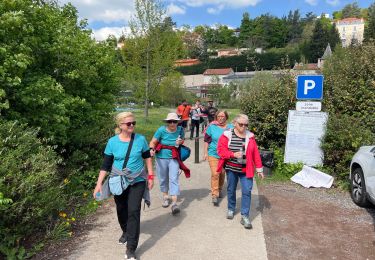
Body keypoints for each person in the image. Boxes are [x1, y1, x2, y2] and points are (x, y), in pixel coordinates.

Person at [93, 112, 154, 260]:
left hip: (137, 180)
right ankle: (126, 231)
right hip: (118, 180)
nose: (132, 125)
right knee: (121, 209)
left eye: (134, 123)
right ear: (120, 125)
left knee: (134, 210)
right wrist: (98, 184)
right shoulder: (112, 142)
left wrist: (150, 176)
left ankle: (131, 248)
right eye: (129, 123)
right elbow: (106, 165)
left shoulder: (140, 140)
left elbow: (147, 158)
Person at [217, 114, 264, 229]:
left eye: (246, 125)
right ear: (234, 123)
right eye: (241, 124)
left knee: (247, 191)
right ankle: (231, 208)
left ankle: (245, 216)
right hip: (231, 168)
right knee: (231, 189)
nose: (244, 127)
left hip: (245, 169)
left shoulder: (250, 137)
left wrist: (259, 169)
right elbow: (220, 150)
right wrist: (232, 154)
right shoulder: (227, 135)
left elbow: (255, 154)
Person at [149, 113, 190, 215]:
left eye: (174, 121)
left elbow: (182, 140)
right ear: (167, 122)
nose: (172, 123)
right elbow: (153, 142)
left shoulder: (180, 130)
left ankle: (175, 204)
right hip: (161, 158)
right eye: (169, 121)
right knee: (163, 178)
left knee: (174, 178)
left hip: (174, 158)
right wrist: (151, 149)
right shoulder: (161, 130)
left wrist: (180, 142)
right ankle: (165, 197)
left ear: (177, 122)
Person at [203, 110, 233, 206]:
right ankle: (214, 195)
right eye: (219, 116)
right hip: (213, 153)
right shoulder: (212, 127)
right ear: (216, 117)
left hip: (225, 155)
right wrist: (205, 153)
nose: (221, 118)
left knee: (222, 173)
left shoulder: (231, 128)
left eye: (223, 116)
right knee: (215, 173)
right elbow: (206, 141)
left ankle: (219, 188)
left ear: (226, 117)